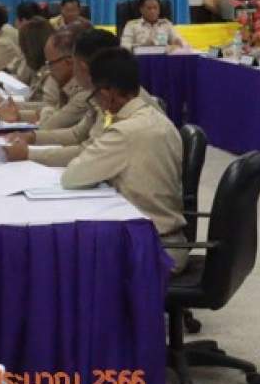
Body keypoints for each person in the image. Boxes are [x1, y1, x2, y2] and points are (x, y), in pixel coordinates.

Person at [58, 48, 188, 269]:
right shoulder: (161, 120)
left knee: (68, 260)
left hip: (150, 250)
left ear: (108, 93)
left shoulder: (125, 132)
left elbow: (71, 177)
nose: (96, 102)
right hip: (171, 241)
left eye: (95, 95)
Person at [3, 28, 118, 166]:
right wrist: (31, 137)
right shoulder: (99, 91)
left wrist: (28, 154)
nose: (48, 69)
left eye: (50, 63)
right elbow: (76, 134)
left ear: (81, 66)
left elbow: (90, 151)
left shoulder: (108, 97)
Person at [0, 26, 81, 124]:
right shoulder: (55, 71)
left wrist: (17, 110)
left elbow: (52, 115)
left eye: (24, 48)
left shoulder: (80, 90)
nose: (22, 52)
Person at [120, 0, 185, 50]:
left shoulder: (166, 24)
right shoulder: (132, 25)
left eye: (155, 8)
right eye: (149, 8)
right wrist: (142, 46)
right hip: (140, 58)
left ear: (159, 10)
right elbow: (124, 46)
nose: (152, 11)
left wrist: (177, 44)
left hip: (163, 58)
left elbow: (181, 43)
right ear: (141, 10)